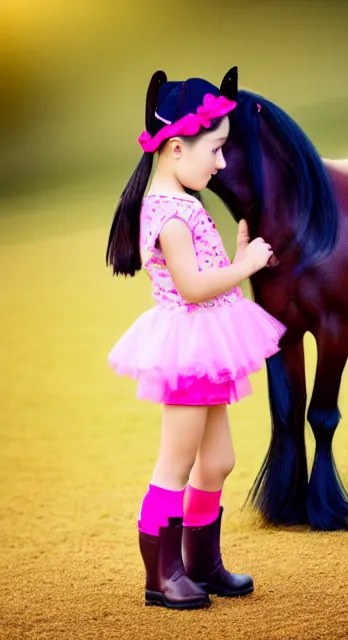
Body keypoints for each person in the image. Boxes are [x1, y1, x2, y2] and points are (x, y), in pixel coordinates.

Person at [105, 67, 286, 610]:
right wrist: (247, 264)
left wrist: (233, 257)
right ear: (178, 147)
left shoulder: (181, 203)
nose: (223, 162)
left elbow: (205, 279)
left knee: (218, 461)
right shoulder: (169, 212)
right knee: (176, 463)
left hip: (206, 344)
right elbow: (191, 287)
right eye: (217, 150)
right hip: (189, 349)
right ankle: (162, 574)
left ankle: (203, 564)